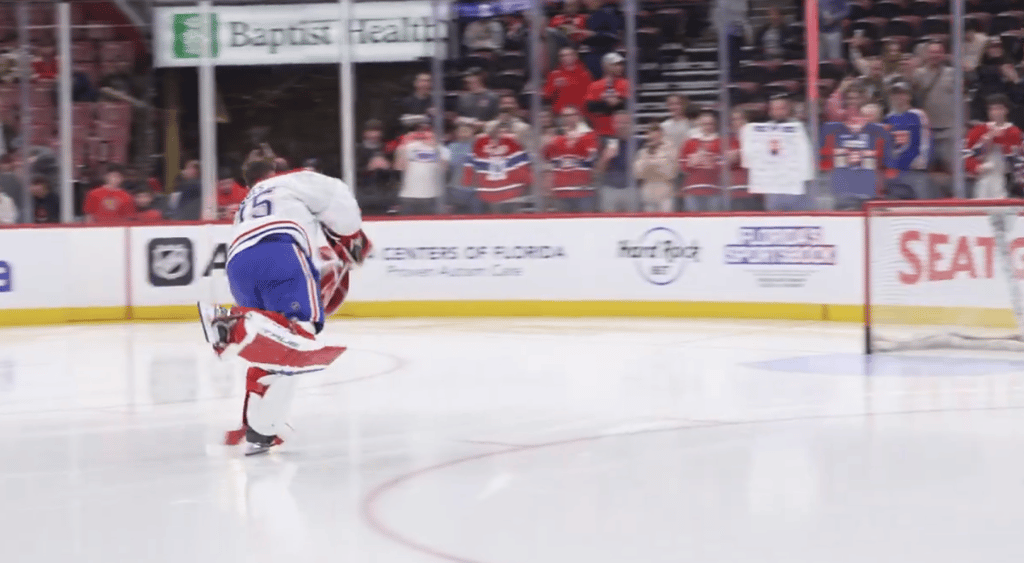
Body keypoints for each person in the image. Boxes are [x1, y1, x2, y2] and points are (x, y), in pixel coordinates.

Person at [197, 158, 371, 456]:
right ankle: (234, 325)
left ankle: (261, 429)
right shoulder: (292, 180)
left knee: (278, 351)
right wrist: (353, 238)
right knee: (303, 331)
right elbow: (338, 196)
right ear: (272, 173)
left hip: (238, 265)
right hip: (280, 250)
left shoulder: (245, 205)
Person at [965, 94, 1021, 199]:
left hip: (1004, 180)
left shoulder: (1014, 131)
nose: (996, 112)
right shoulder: (978, 130)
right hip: (982, 178)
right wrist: (988, 138)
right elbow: (968, 155)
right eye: (992, 109)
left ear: (1006, 110)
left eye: (999, 109)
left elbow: (1016, 158)